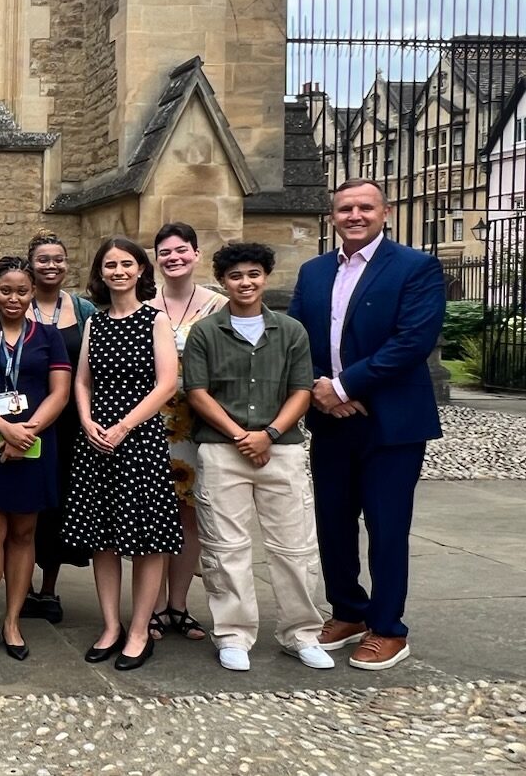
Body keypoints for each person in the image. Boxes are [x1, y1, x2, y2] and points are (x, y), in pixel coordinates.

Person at [287, 178, 444, 671]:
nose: (355, 215)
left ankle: (388, 627)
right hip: (331, 420)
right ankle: (348, 611)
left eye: (365, 207)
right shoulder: (313, 272)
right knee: (332, 523)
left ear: (385, 211)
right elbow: (292, 339)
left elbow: (412, 341)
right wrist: (320, 389)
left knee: (386, 525)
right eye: (345, 208)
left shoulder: (415, 268)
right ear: (333, 216)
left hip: (391, 422)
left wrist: (345, 386)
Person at [183, 243, 333, 672]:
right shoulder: (206, 332)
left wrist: (268, 434)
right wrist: (239, 435)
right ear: (223, 281)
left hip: (280, 450)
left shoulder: (291, 331)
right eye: (235, 276)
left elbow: (301, 390)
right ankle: (233, 633)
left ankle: (301, 633)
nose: (245, 283)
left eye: (253, 274)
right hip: (221, 449)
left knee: (295, 546)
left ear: (265, 277)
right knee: (225, 547)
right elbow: (197, 392)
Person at [63, 237, 180, 671]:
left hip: (140, 438)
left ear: (141, 270)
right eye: (109, 264)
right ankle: (111, 625)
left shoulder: (156, 320)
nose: (118, 271)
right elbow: (82, 381)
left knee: (148, 539)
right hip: (96, 440)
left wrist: (124, 426)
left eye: (126, 264)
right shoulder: (95, 322)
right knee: (104, 538)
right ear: (100, 273)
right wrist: (89, 422)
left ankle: (138, 630)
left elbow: (167, 383)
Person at [0, 258, 72, 662]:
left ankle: (13, 621)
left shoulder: (49, 336)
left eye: (22, 291)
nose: (14, 298)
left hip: (36, 443)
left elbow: (60, 391)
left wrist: (28, 430)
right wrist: (6, 430)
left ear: (32, 293)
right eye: (6, 290)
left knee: (24, 533)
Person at [145, 222, 225, 643]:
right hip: (151, 421)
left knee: (189, 515)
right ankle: (153, 606)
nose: (173, 258)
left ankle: (180, 604)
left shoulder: (218, 306)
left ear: (196, 254)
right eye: (165, 252)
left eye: (181, 251)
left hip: (197, 422)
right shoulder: (143, 304)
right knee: (153, 515)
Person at [20, 229, 96, 624]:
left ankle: (48, 588)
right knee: (22, 507)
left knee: (58, 507)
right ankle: (21, 587)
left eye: (58, 259)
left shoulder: (83, 311)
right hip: (21, 423)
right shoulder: (14, 303)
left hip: (68, 427)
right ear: (30, 265)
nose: (51, 266)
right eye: (43, 259)